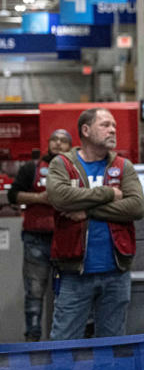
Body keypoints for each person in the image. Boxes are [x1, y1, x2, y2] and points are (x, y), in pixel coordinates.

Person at [47, 108, 144, 340]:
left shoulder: (123, 166)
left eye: (114, 126)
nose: (112, 130)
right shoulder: (62, 164)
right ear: (86, 130)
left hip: (116, 273)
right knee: (63, 343)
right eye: (105, 125)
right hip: (75, 273)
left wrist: (87, 209)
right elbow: (59, 197)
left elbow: (136, 207)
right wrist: (109, 193)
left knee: (112, 345)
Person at [7, 129, 72, 342]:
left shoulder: (75, 169)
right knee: (34, 293)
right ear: (48, 142)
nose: (58, 144)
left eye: (63, 141)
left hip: (67, 239)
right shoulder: (31, 168)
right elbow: (13, 195)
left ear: (70, 146)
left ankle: (63, 341)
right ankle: (32, 341)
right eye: (55, 139)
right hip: (36, 238)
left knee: (68, 294)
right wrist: (40, 198)